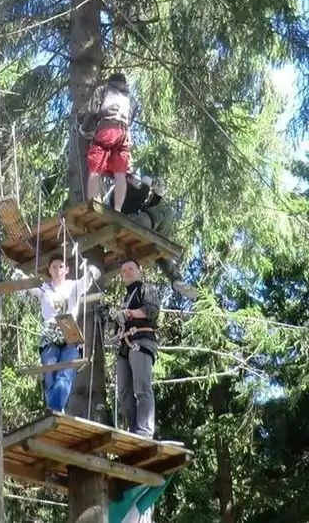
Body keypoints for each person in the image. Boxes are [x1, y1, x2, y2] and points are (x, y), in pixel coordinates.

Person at [23, 253, 101, 412]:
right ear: (49, 270)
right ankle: (55, 409)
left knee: (66, 372)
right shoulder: (44, 289)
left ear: (67, 269)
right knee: (49, 373)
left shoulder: (74, 286)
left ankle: (54, 408)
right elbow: (29, 286)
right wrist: (20, 277)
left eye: (61, 266)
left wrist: (91, 270)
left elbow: (88, 280)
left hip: (69, 330)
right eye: (54, 267)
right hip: (50, 332)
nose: (58, 270)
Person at [118, 174, 197, 299]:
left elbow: (147, 205)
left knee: (160, 252)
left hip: (140, 224)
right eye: (134, 179)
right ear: (127, 178)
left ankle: (176, 280)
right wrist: (146, 184)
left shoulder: (132, 197)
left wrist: (156, 195)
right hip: (132, 222)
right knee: (166, 211)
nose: (135, 181)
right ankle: (162, 240)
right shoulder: (122, 187)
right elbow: (142, 195)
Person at [115, 257, 160, 438]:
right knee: (124, 392)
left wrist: (128, 313)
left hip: (141, 340)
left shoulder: (147, 289)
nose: (127, 272)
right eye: (124, 271)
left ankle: (144, 432)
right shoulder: (125, 298)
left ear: (139, 270)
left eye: (130, 268)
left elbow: (152, 311)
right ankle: (132, 431)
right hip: (124, 346)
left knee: (142, 388)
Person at [84, 73, 134, 208]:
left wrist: (84, 128)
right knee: (120, 173)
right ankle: (117, 209)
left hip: (108, 129)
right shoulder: (128, 98)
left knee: (95, 168)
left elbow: (92, 110)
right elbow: (131, 118)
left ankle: (95, 203)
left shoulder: (103, 90)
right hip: (125, 135)